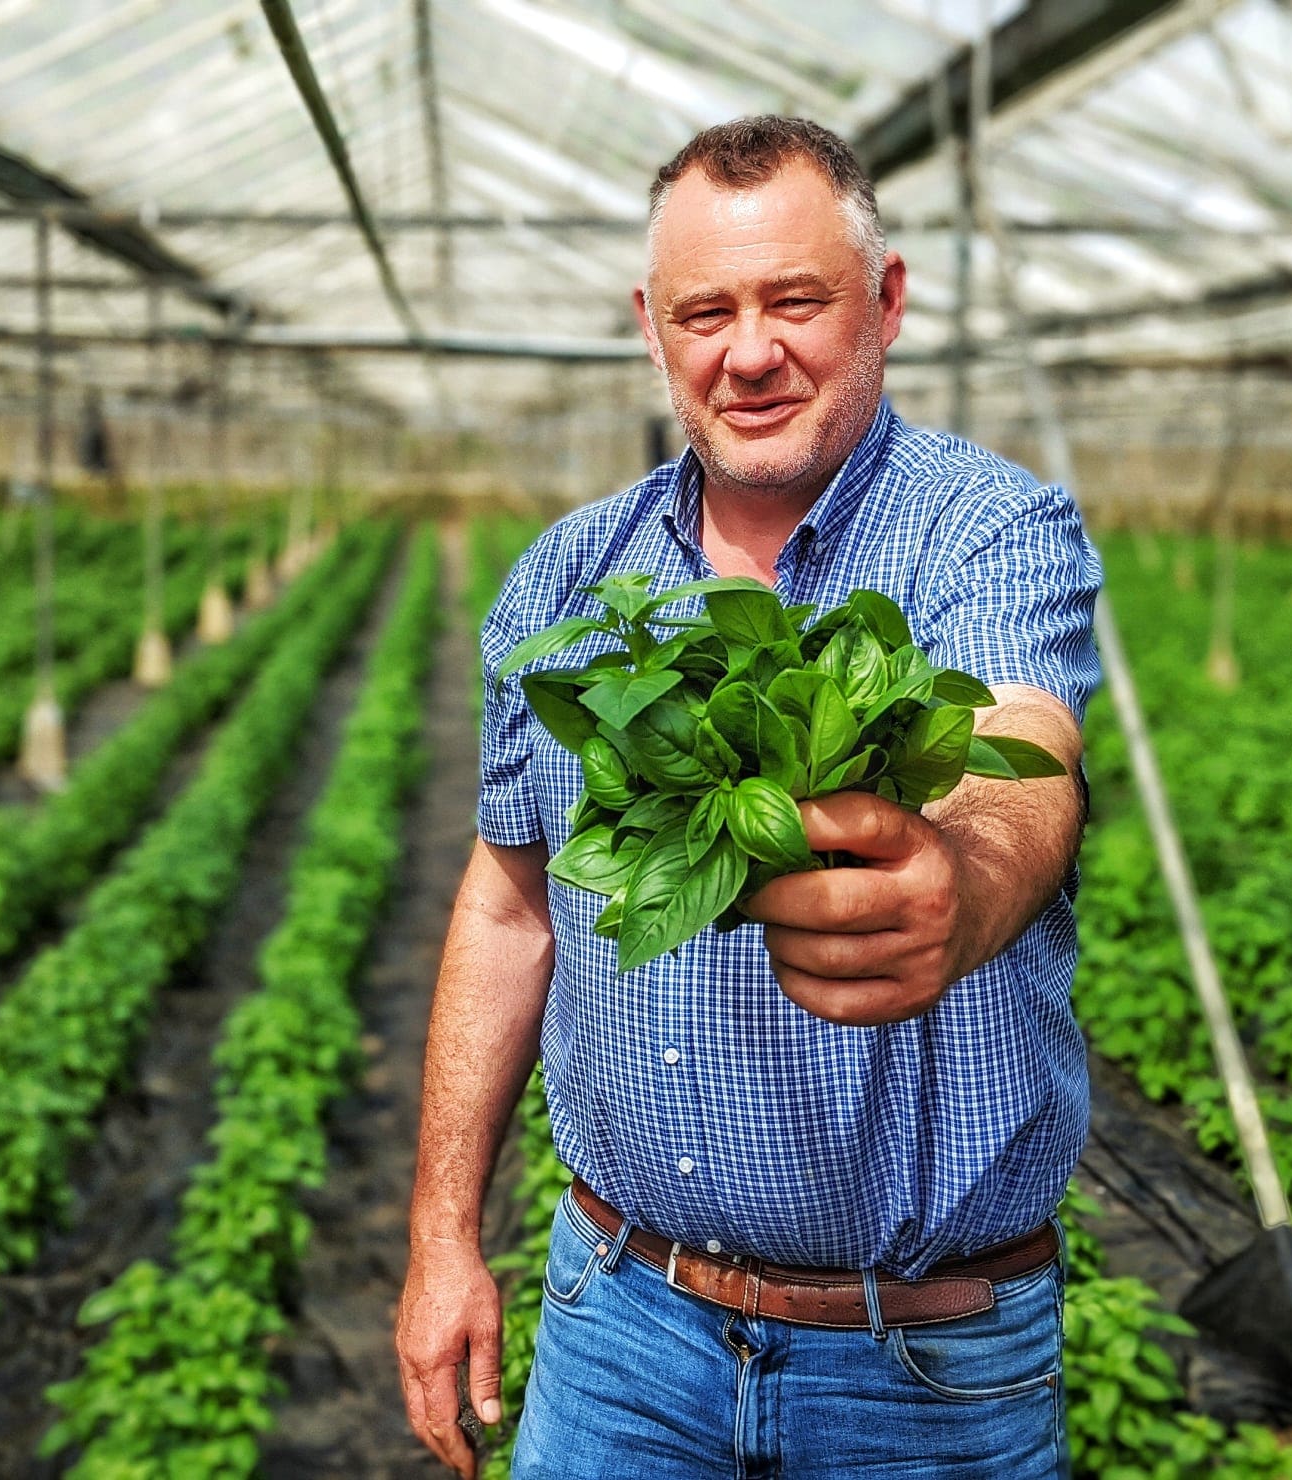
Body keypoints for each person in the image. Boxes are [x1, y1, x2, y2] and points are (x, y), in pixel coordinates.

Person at [396, 117, 1102, 1480]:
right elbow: (506, 906)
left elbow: (1021, 756)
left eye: (796, 300)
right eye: (705, 311)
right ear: (652, 328)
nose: (749, 350)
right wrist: (439, 1238)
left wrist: (952, 888)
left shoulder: (989, 532)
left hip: (920, 1368)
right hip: (617, 1327)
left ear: (886, 303)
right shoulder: (563, 583)